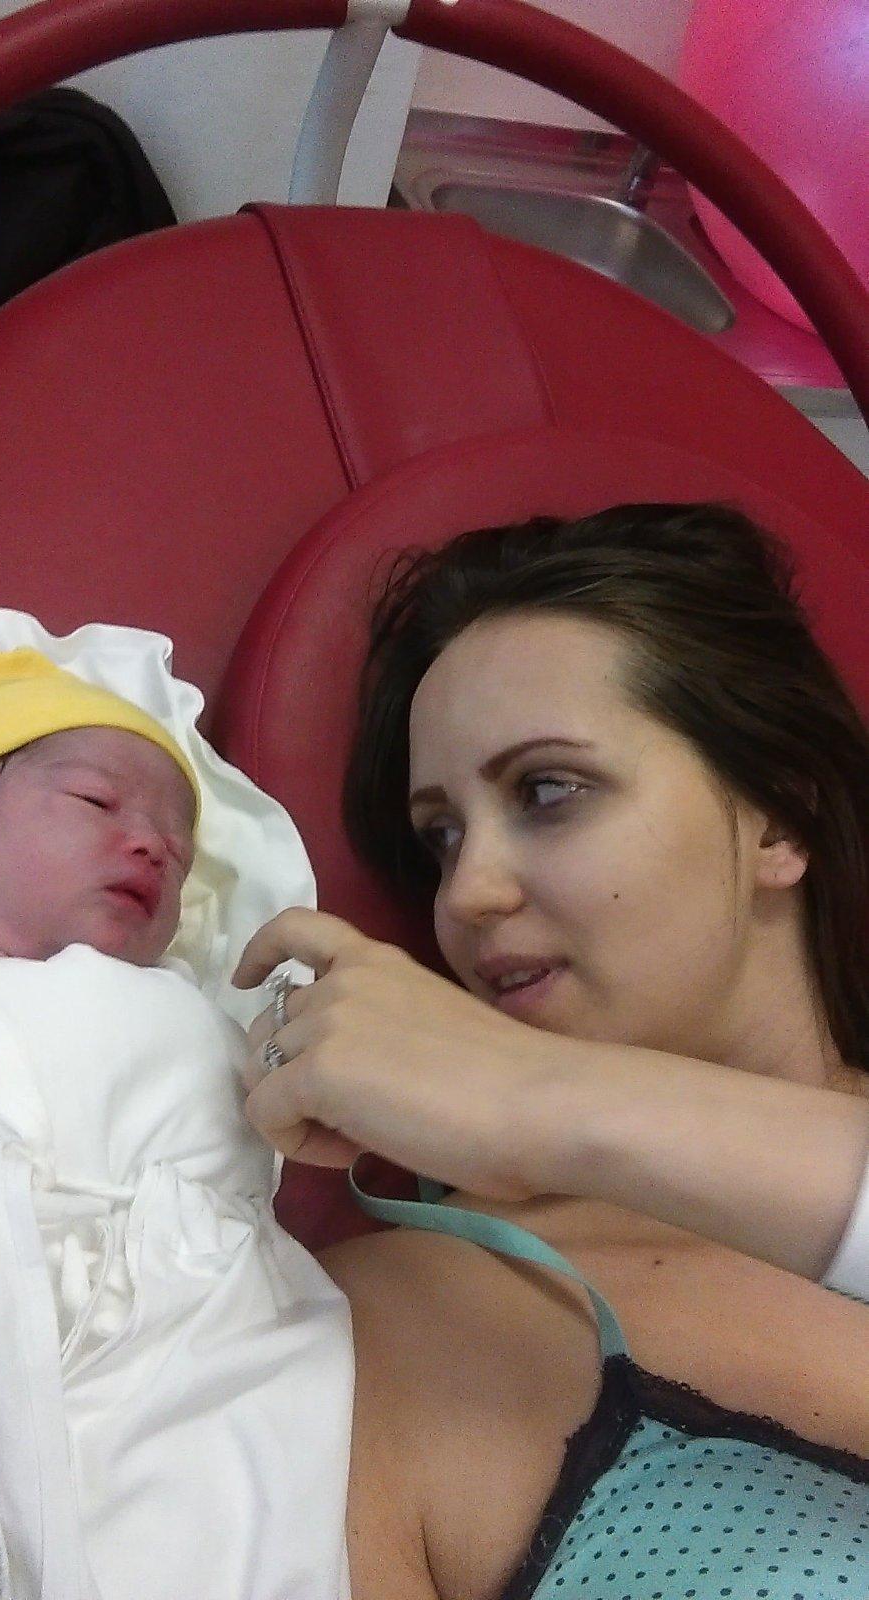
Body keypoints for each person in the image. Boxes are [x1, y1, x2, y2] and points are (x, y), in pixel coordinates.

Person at [233, 502, 869, 1599]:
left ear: (779, 818)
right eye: (441, 838)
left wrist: (542, 1098)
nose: (467, 894)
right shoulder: (405, 1328)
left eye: (547, 790)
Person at [0, 648, 353, 1599]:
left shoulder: (184, 1015)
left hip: (167, 1355)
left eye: (180, 850)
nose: (151, 844)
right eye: (96, 801)